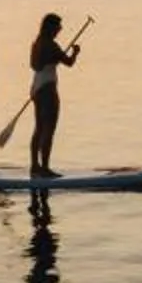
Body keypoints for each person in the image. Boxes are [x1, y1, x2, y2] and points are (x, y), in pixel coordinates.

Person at [27, 11, 81, 180]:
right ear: (51, 27)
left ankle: (35, 166)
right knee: (48, 130)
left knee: (39, 128)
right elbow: (69, 63)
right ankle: (45, 169)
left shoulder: (36, 44)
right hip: (48, 89)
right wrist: (76, 52)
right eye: (58, 26)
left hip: (36, 87)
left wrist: (53, 58)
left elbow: (35, 65)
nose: (60, 29)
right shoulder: (51, 45)